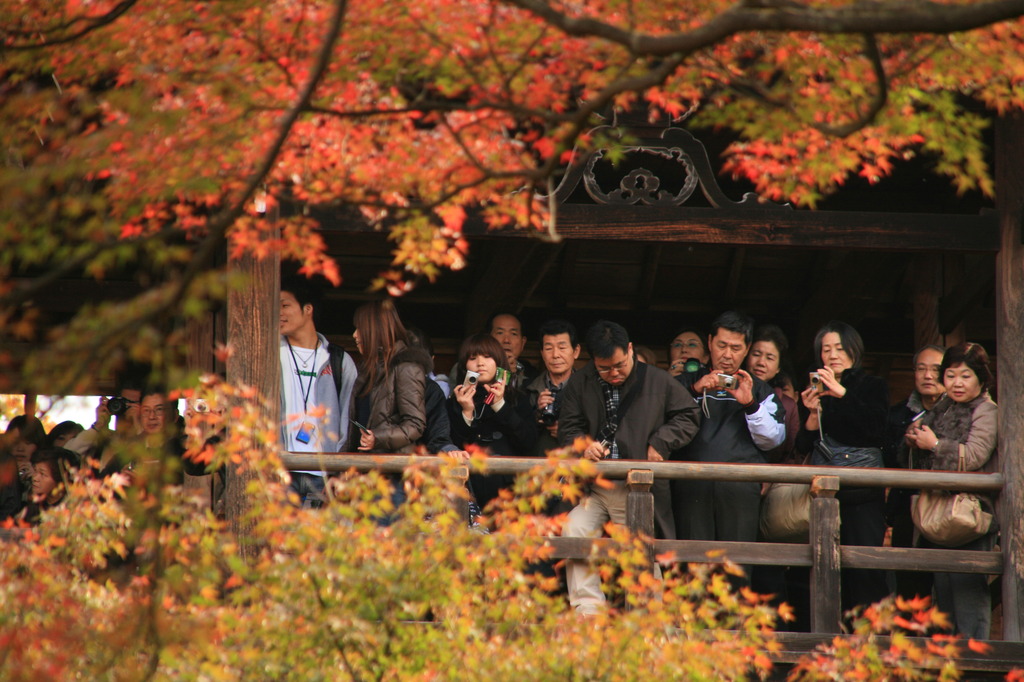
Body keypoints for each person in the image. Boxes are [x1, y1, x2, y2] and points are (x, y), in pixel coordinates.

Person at [559, 320, 701, 616]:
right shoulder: (580, 382)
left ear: (631, 350)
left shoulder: (657, 380)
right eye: (604, 368)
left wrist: (661, 442)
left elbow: (689, 414)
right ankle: (588, 609)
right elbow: (568, 427)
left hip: (635, 486)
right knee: (574, 529)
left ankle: (646, 618)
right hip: (595, 486)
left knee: (639, 550)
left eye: (620, 365)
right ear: (592, 361)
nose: (614, 373)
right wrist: (582, 444)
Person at [904, 342, 997, 639]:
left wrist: (933, 445)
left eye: (966, 375)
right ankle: (948, 664)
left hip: (970, 512)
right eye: (951, 375)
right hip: (940, 509)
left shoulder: (987, 411)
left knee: (968, 592)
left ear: (981, 379)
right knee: (942, 594)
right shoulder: (942, 408)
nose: (957, 383)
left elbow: (973, 457)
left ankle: (976, 663)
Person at [672, 311, 786, 553]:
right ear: (710, 342)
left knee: (737, 565)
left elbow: (774, 440)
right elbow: (662, 424)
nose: (727, 354)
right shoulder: (682, 383)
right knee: (693, 567)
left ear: (746, 350)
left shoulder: (760, 390)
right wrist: (693, 390)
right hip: (691, 485)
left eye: (735, 348)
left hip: (739, 488)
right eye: (721, 345)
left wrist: (749, 404)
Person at [796, 320, 890, 613]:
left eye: (839, 348)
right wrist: (812, 416)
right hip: (826, 493)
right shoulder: (815, 389)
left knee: (865, 568)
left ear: (853, 349)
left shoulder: (873, 386)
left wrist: (842, 394)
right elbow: (803, 446)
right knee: (823, 566)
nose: (833, 355)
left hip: (863, 492)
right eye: (826, 349)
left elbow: (876, 431)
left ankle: (871, 642)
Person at [279, 275, 358, 508]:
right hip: (281, 469)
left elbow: (349, 418)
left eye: (285, 305)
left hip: (323, 473)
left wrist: (340, 470)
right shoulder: (270, 354)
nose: (279, 313)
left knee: (319, 543)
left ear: (308, 309)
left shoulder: (338, 359)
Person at [448, 334, 538, 511]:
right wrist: (466, 412)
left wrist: (500, 406)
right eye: (473, 358)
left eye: (487, 357)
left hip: (508, 489)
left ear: (498, 362)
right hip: (467, 487)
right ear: (464, 365)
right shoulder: (454, 401)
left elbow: (528, 442)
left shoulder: (518, 398)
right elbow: (450, 445)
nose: (480, 363)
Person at [885, 344, 946, 600]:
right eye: (921, 369)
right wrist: (904, 441)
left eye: (936, 370)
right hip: (906, 508)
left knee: (946, 583)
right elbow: (885, 458)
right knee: (909, 584)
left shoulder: (959, 412)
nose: (928, 376)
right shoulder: (899, 413)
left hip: (947, 506)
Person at [525, 319, 581, 458]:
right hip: (538, 467)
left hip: (577, 468)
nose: (555, 355)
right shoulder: (529, 389)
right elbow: (520, 436)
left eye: (562, 348)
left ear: (576, 351)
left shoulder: (589, 389)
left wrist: (568, 430)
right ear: (542, 353)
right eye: (549, 348)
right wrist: (537, 412)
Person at [22, 447, 77, 524]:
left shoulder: (71, 510)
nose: (35, 478)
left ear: (60, 479)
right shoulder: (34, 507)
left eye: (42, 474)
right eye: (35, 471)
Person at [488, 313, 537, 390]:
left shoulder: (534, 376)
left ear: (523, 343)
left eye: (513, 334)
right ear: (488, 340)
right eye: (500, 333)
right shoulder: (478, 370)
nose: (506, 340)